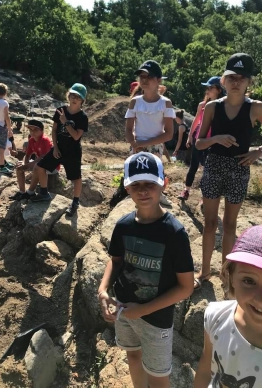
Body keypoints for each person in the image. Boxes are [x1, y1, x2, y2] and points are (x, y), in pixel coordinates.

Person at [98, 152, 194, 388]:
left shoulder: (174, 233)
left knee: (159, 376)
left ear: (164, 183)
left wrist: (142, 310)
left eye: (150, 183)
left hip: (156, 318)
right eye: (136, 184)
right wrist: (102, 290)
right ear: (126, 187)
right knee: (132, 355)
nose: (143, 190)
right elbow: (116, 260)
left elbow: (186, 287)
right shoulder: (123, 226)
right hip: (124, 309)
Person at [194, 53, 262, 289]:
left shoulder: (255, 108)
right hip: (214, 166)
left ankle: (225, 274)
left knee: (230, 224)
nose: (236, 82)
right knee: (210, 222)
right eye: (231, 77)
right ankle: (204, 271)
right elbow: (198, 142)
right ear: (223, 80)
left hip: (239, 169)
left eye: (242, 78)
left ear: (249, 82)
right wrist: (217, 138)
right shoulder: (213, 107)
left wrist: (257, 152)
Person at [194, 225, 262, 388]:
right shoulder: (216, 316)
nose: (260, 299)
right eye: (249, 281)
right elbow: (205, 369)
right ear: (230, 277)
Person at [19, 83, 88, 217]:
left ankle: (75, 202)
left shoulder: (82, 117)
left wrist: (65, 121)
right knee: (39, 167)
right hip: (58, 149)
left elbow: (76, 136)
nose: (74, 99)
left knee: (76, 178)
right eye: (72, 95)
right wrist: (55, 147)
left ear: (82, 100)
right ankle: (44, 193)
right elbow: (55, 130)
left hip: (72, 152)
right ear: (69, 95)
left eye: (78, 97)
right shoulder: (60, 110)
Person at [125, 60, 175, 205]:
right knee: (136, 177)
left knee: (153, 177)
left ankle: (159, 195)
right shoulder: (135, 102)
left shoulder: (165, 103)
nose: (145, 80)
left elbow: (169, 133)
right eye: (142, 77)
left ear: (158, 80)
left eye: (149, 77)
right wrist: (134, 143)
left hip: (155, 146)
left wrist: (143, 143)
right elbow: (128, 129)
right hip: (137, 145)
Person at [178, 76, 224, 201]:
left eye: (210, 87)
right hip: (199, 140)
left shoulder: (224, 107)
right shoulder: (202, 105)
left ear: (219, 90)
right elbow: (196, 121)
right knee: (193, 166)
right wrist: (189, 137)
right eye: (207, 88)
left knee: (208, 171)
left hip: (213, 143)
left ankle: (205, 199)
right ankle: (186, 191)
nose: (207, 90)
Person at [9, 120, 53, 200]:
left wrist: (28, 165)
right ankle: (22, 192)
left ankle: (30, 192)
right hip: (39, 164)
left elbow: (43, 157)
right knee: (19, 165)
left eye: (35, 130)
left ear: (41, 131)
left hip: (51, 165)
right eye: (31, 130)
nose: (32, 132)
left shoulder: (45, 140)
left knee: (37, 166)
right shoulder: (32, 140)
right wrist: (24, 164)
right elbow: (28, 154)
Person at [0, 83, 14, 174]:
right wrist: (10, 129)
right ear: (5, 92)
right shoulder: (5, 103)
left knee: (0, 144)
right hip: (2, 126)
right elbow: (7, 117)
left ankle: (3, 162)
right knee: (2, 147)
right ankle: (1, 167)